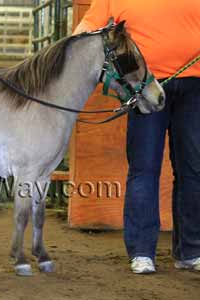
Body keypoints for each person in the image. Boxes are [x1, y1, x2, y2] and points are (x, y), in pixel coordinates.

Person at [74, 0, 200, 274]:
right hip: (144, 86)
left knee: (194, 170)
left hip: (196, 86)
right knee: (144, 169)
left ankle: (191, 251)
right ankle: (142, 251)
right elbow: (86, 29)